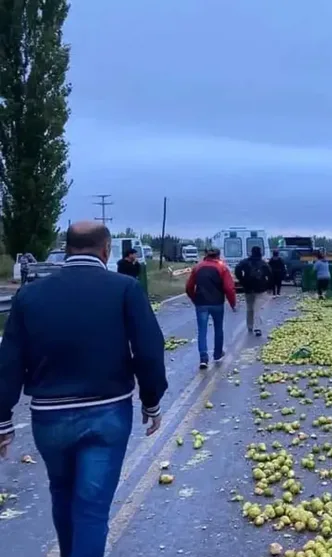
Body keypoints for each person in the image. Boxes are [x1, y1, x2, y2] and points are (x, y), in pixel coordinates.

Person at [0, 221, 167, 557]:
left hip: (49, 418)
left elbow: (9, 359)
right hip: (107, 413)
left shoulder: (30, 294)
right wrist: (152, 402)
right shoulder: (124, 288)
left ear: (66, 249)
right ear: (106, 250)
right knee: (91, 508)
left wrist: (3, 421)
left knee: (62, 494)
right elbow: (148, 349)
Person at [185, 247, 237, 369]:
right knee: (218, 329)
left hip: (201, 303)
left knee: (202, 331)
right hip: (217, 303)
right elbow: (229, 288)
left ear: (205, 255)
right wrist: (232, 303)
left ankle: (203, 359)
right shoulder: (222, 267)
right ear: (218, 255)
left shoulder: (197, 267)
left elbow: (188, 287)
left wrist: (195, 299)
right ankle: (217, 354)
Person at [235, 246, 272, 337]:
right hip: (260, 288)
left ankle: (250, 326)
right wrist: (268, 286)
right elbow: (270, 275)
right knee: (257, 309)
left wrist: (242, 280)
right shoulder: (263, 263)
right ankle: (257, 328)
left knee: (250, 308)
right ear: (260, 253)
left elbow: (237, 269)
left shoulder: (245, 262)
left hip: (248, 288)